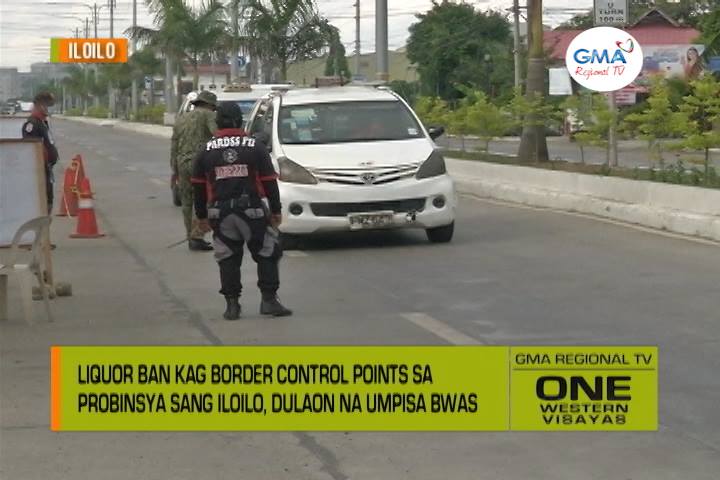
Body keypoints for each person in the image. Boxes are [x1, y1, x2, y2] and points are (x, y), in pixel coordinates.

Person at [191, 102, 292, 320]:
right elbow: (269, 182)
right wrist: (275, 211)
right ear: (240, 121)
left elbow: (198, 187)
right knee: (267, 252)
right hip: (252, 212)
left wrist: (201, 217)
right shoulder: (255, 146)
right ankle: (269, 301)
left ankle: (232, 306)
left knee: (227, 256)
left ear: (217, 122)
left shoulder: (205, 150)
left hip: (220, 214)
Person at [170, 90, 217, 251]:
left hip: (182, 162)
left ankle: (190, 235)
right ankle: (197, 236)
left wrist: (174, 168)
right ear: (210, 105)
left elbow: (174, 144)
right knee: (202, 199)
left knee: (187, 201)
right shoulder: (208, 115)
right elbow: (216, 135)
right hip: (199, 162)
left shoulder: (181, 119)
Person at [22, 92, 58, 214]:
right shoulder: (32, 124)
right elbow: (30, 149)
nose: (48, 109)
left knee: (48, 201)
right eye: (46, 105)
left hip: (46, 170)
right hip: (39, 172)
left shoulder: (42, 122)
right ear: (40, 105)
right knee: (42, 205)